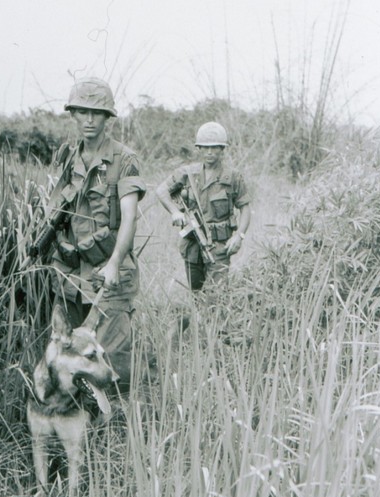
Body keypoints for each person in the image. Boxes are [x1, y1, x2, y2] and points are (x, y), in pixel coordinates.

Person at [46, 77, 146, 392]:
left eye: (97, 113)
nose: (89, 120)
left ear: (107, 118)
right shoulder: (66, 157)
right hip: (71, 274)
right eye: (82, 112)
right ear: (73, 114)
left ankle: (118, 432)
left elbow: (129, 217)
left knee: (113, 359)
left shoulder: (124, 159)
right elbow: (56, 210)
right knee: (75, 360)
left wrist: (115, 262)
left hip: (107, 274)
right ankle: (81, 425)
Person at [156, 121, 251, 292]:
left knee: (217, 295)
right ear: (198, 149)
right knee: (196, 294)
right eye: (205, 147)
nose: (209, 152)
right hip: (192, 245)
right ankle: (198, 319)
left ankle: (214, 319)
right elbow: (161, 190)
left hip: (219, 247)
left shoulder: (233, 177)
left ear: (222, 149)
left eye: (215, 147)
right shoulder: (187, 173)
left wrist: (239, 236)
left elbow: (245, 208)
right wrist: (175, 212)